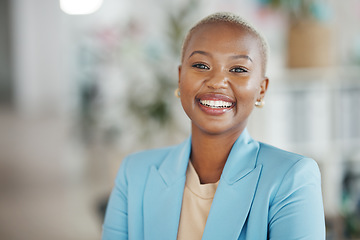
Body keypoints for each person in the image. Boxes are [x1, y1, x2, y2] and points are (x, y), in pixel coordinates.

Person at [102, 12, 325, 239]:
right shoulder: (135, 173)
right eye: (201, 65)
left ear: (261, 89)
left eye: (238, 69)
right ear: (180, 78)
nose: (217, 81)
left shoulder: (291, 179)